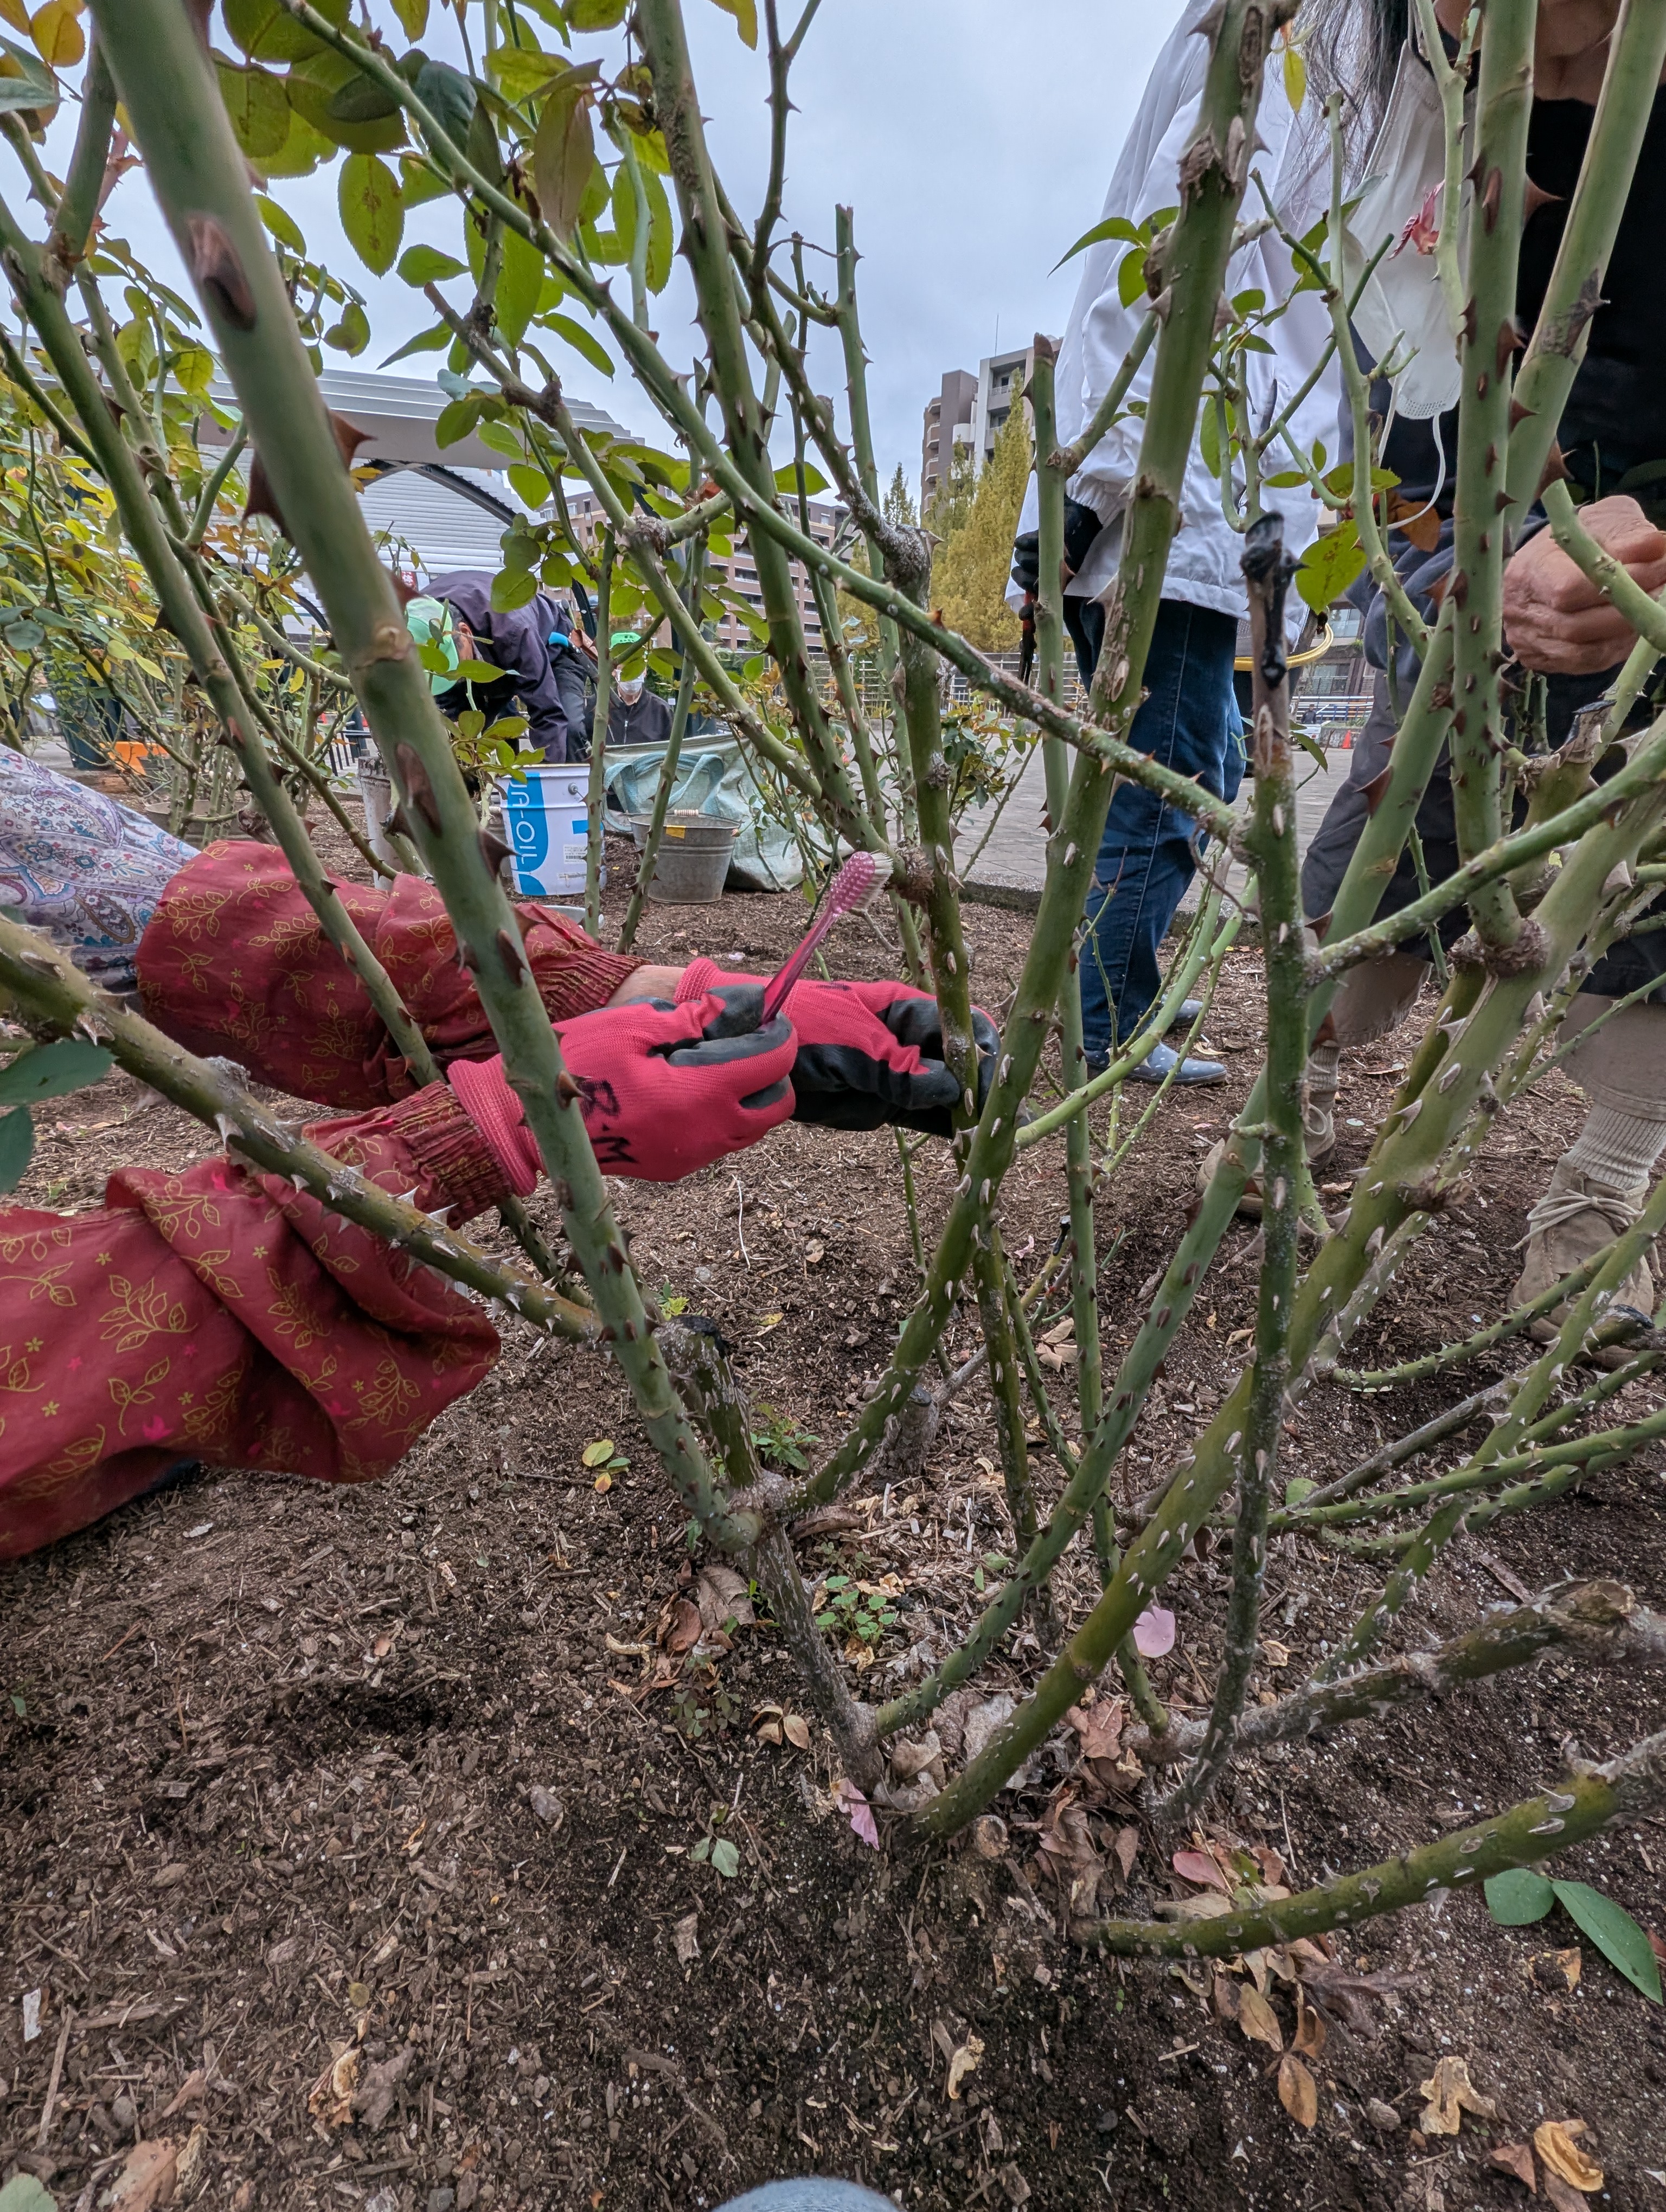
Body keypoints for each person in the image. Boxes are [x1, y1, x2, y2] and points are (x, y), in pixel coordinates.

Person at [1295, 0, 1666, 1330]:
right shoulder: (1393, 97)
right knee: (1393, 812)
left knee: (1645, 861)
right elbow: (1385, 405)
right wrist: (1433, 559)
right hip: (1451, 540)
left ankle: (1598, 1196)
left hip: (1644, 540)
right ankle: (1293, 1100)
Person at [1009, 0, 1336, 1084]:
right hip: (1174, 519)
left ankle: (1113, 978)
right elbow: (1160, 265)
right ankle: (1106, 1023)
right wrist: (1091, 499)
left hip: (1189, 515)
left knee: (1193, 766)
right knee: (1167, 786)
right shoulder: (1278, 54)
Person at [589, 628, 675, 750]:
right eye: (625, 664)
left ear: (645, 670)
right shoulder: (597, 706)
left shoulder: (661, 711)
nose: (632, 671)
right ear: (613, 670)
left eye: (636, 663)